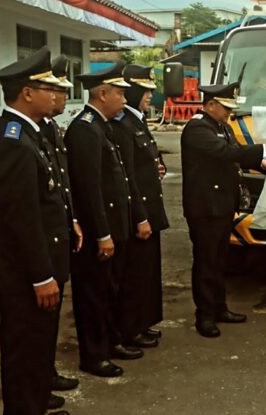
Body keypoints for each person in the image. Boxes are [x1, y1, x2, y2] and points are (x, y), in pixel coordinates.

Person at [0, 46, 71, 415]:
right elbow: (21, 218)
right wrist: (40, 275)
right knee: (22, 349)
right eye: (48, 87)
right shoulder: (13, 140)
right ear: (27, 93)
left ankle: (36, 403)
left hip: (37, 263)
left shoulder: (31, 133)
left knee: (37, 346)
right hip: (22, 271)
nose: (56, 94)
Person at [181, 82, 266, 338]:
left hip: (220, 206)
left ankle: (219, 307)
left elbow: (233, 158)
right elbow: (223, 151)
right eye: (225, 107)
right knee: (207, 263)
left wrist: (263, 163)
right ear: (210, 105)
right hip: (205, 208)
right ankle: (205, 315)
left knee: (219, 261)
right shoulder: (198, 127)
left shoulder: (220, 126)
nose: (229, 113)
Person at [65, 61, 140, 378]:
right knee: (94, 294)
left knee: (111, 290)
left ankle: (110, 342)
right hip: (101, 230)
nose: (124, 98)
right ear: (102, 93)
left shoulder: (101, 126)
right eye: (120, 92)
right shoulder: (84, 129)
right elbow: (89, 189)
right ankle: (93, 354)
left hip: (115, 225)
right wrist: (103, 234)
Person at [110, 64, 169, 349]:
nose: (149, 96)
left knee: (147, 272)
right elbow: (127, 175)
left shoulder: (136, 120)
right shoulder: (121, 124)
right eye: (144, 91)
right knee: (134, 275)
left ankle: (143, 322)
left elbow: (147, 157)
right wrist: (140, 216)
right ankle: (130, 328)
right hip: (138, 210)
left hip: (149, 206)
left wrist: (159, 166)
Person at [42, 55, 83, 394]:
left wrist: (72, 219)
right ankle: (35, 386)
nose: (63, 98)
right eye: (57, 91)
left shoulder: (49, 127)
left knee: (48, 322)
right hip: (32, 248)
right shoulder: (11, 134)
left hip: (56, 236)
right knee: (30, 328)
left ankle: (46, 373)